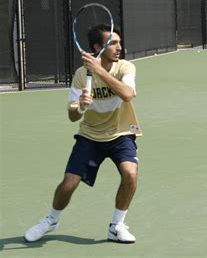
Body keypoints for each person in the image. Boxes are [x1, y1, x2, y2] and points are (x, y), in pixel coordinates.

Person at [24, 24, 142, 244]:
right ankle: (51, 220)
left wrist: (98, 71)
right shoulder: (81, 75)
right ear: (98, 47)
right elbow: (72, 116)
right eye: (113, 43)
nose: (119, 47)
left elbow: (127, 94)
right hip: (90, 136)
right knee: (69, 183)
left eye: (119, 42)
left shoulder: (125, 67)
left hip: (121, 133)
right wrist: (80, 107)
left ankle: (116, 226)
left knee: (130, 174)